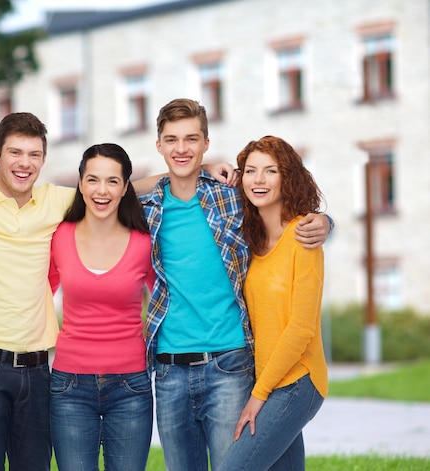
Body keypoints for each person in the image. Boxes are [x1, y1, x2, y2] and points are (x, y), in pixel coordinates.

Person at [0, 111, 237, 470]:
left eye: (34, 155)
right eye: (15, 153)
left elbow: (124, 185)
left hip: (38, 368)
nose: (24, 163)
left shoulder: (58, 203)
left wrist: (200, 170)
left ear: (44, 160)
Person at [138, 98, 332, 471]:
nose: (182, 149)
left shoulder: (230, 197)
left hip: (229, 365)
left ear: (206, 142)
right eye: (172, 140)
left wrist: (325, 221)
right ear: (159, 145)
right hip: (168, 369)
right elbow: (112, 190)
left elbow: (284, 207)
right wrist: (185, 172)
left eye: (192, 140)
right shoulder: (148, 207)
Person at [222, 135, 328, 470]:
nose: (259, 180)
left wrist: (259, 394)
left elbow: (300, 329)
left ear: (288, 177)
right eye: (251, 171)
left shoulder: (303, 236)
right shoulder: (250, 241)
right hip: (269, 379)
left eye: (270, 171)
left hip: (297, 381)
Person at [48, 143, 155, 470]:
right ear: (80, 185)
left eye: (112, 181)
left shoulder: (144, 241)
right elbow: (36, 294)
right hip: (68, 386)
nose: (101, 190)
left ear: (126, 188)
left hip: (131, 386)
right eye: (93, 180)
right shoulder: (59, 235)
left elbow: (169, 303)